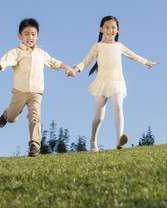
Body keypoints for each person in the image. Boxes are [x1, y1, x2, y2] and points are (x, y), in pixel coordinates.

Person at [0, 18, 73, 157]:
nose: (30, 37)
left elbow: (53, 62)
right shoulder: (16, 52)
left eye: (33, 34)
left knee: (34, 116)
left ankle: (34, 145)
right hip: (20, 91)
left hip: (36, 92)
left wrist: (67, 68)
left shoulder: (41, 54)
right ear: (20, 36)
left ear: (37, 36)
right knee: (12, 118)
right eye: (26, 34)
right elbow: (5, 61)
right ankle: (7, 114)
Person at [67, 16, 159, 152]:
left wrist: (147, 62)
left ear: (118, 29)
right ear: (101, 29)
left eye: (113, 27)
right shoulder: (98, 46)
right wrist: (76, 69)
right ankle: (93, 141)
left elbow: (133, 55)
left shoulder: (119, 46)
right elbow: (86, 61)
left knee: (118, 107)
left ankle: (119, 140)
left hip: (117, 82)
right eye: (107, 27)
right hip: (101, 83)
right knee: (99, 117)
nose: (110, 30)